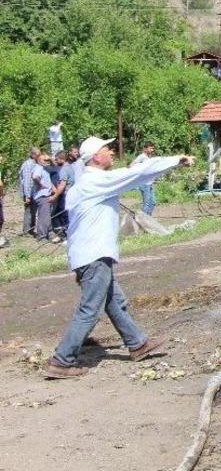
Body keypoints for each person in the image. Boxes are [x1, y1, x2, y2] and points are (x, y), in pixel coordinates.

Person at [42, 136, 194, 379]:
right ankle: (62, 360)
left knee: (114, 301)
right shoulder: (97, 182)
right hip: (94, 256)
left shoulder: (81, 186)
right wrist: (177, 159)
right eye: (107, 148)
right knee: (90, 309)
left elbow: (136, 174)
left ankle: (137, 344)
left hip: (87, 255)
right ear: (95, 157)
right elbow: (137, 172)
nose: (112, 152)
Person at [31, 150, 59, 243]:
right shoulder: (38, 168)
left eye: (46, 160)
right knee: (43, 217)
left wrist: (54, 190)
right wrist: (40, 185)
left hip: (47, 195)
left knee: (47, 216)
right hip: (42, 196)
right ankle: (42, 236)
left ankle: (49, 233)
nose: (46, 162)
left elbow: (48, 181)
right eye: (44, 160)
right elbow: (35, 177)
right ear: (39, 160)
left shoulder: (44, 169)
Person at [129, 142, 157, 216]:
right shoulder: (141, 157)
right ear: (145, 149)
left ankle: (148, 218)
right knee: (147, 203)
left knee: (153, 202)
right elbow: (131, 165)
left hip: (150, 183)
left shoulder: (148, 158)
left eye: (152, 148)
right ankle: (143, 220)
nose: (152, 150)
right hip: (144, 184)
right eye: (150, 148)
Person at [19, 147, 40, 236]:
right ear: (33, 155)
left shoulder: (35, 163)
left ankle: (31, 228)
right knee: (28, 211)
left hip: (34, 191)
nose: (39, 156)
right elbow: (27, 181)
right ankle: (26, 230)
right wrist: (27, 195)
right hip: (29, 192)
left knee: (33, 210)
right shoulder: (28, 164)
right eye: (38, 154)